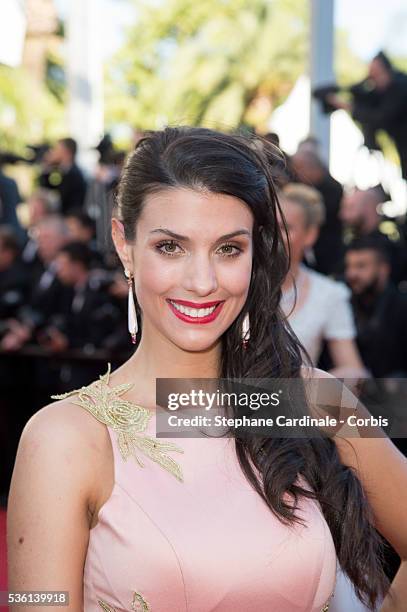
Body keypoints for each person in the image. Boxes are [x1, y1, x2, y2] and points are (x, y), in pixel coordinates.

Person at [7, 128, 407, 611]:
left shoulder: (312, 401)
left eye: (228, 249)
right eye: (171, 247)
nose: (202, 282)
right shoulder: (65, 438)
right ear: (124, 243)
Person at [278, 183, 365, 378]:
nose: (274, 236)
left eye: (285, 227)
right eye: (267, 226)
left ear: (310, 235)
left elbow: (353, 370)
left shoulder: (329, 294)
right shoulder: (237, 283)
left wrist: (310, 385)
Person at [327, 52, 407, 180]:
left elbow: (380, 117)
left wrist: (346, 106)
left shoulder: (400, 87)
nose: (372, 81)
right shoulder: (391, 88)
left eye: (375, 75)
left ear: (385, 71)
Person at [290, 150, 344, 276]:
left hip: (326, 253)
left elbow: (320, 218)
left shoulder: (333, 189)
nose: (296, 174)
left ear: (311, 167)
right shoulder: (303, 185)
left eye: (299, 168)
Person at [339, 186, 406, 284]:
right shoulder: (347, 243)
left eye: (350, 208)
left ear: (368, 207)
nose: (342, 215)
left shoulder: (391, 248)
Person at [39, 137, 87, 215]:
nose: (53, 152)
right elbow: (45, 188)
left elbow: (61, 199)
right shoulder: (60, 171)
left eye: (57, 149)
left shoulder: (74, 174)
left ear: (66, 152)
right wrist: (46, 166)